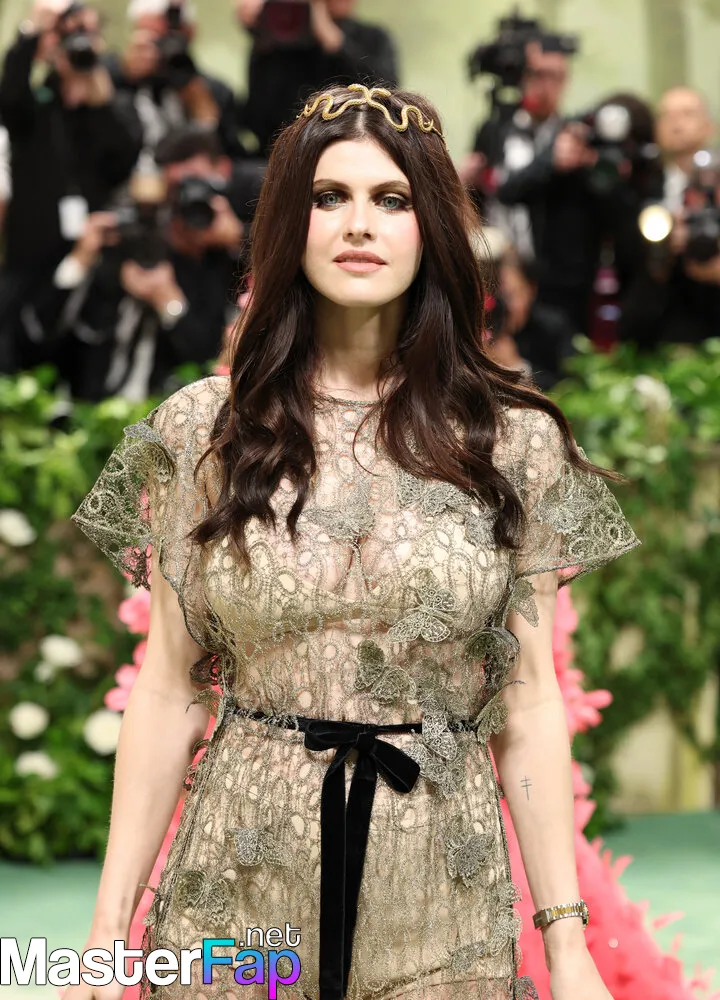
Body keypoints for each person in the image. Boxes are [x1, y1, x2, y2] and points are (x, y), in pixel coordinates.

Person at [68, 83, 641, 1000]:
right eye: (329, 197)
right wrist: (107, 933)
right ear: (288, 226)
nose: (359, 225)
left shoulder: (510, 439)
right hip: (237, 897)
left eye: (392, 199)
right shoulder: (205, 430)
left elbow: (530, 704)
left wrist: (566, 946)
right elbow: (169, 690)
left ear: (431, 227)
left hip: (443, 904)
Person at [30, 127, 244, 400]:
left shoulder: (224, 258)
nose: (187, 199)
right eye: (177, 188)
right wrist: (79, 260)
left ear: (222, 175)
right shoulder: (128, 242)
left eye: (198, 185)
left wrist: (168, 300)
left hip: (172, 411)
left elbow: (213, 365)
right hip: (96, 406)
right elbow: (39, 334)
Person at [0, 0, 142, 373]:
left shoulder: (116, 106)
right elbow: (10, 97)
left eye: (87, 33)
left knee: (85, 364)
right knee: (18, 358)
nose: (78, 42)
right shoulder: (37, 104)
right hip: (30, 257)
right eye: (70, 33)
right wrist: (33, 29)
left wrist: (99, 97)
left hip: (93, 259)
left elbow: (123, 158)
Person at [236, 0, 399, 155]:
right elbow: (259, 119)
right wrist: (263, 31)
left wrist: (335, 43)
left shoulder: (373, 38)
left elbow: (385, 94)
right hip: (285, 154)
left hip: (356, 150)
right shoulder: (282, 46)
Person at [105, 0, 244, 160]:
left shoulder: (215, 90)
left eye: (169, 37)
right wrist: (125, 78)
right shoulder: (113, 82)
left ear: (190, 33)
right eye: (152, 38)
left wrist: (203, 112)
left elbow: (227, 157)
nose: (161, 49)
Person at [655, 86, 715, 214]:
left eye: (687, 113)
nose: (675, 122)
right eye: (666, 115)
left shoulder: (715, 181)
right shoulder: (648, 183)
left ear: (709, 126)